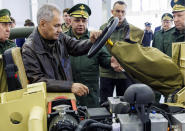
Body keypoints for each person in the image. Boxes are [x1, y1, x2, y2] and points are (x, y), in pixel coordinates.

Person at [22, 4, 101, 97]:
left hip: (65, 95)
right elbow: (38, 80)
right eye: (56, 26)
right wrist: (69, 86)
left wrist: (91, 41)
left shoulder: (59, 37)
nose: (60, 30)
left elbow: (76, 46)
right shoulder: (29, 49)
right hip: (48, 100)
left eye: (60, 25)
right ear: (43, 24)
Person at [66, 3, 111, 107]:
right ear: (70, 21)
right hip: (68, 93)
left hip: (89, 94)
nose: (81, 24)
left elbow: (105, 60)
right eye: (77, 20)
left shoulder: (95, 39)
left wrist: (111, 62)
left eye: (84, 20)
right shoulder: (62, 39)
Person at [99, 1, 133, 104]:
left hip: (124, 74)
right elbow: (101, 49)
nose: (120, 14)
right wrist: (111, 63)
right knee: (104, 104)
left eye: (123, 12)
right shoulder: (103, 28)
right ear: (112, 12)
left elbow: (133, 51)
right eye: (117, 11)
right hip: (106, 73)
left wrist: (122, 64)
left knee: (124, 104)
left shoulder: (131, 30)